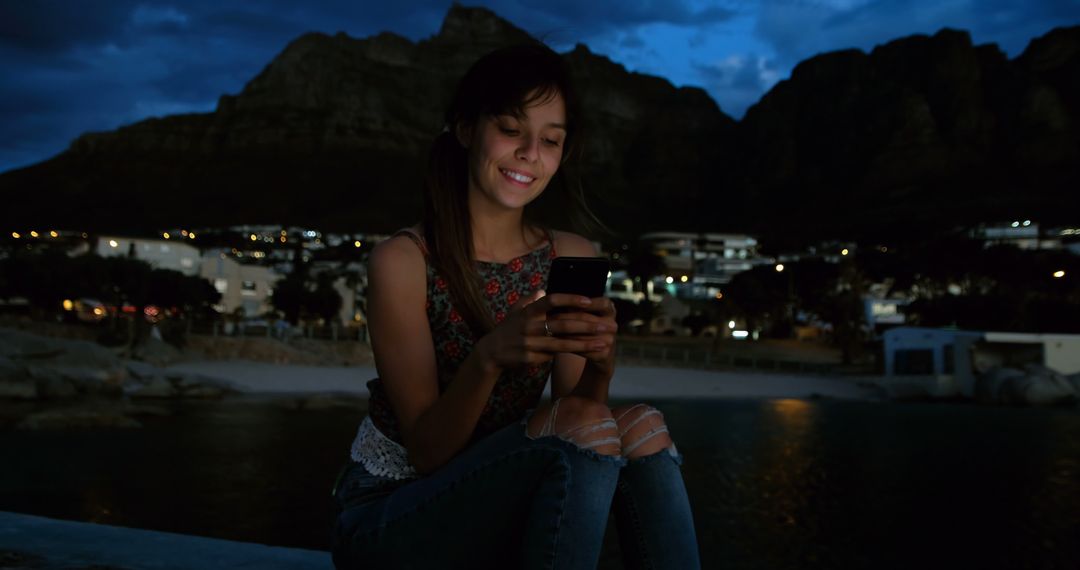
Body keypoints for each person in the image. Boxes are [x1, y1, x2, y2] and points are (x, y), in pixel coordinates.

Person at [331, 42, 700, 569]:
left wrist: (600, 362)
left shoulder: (569, 254)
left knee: (641, 426)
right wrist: (489, 357)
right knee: (587, 433)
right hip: (391, 518)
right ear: (465, 129)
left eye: (551, 140)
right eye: (511, 130)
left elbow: (580, 418)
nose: (531, 153)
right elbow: (428, 453)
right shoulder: (405, 259)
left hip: (497, 502)